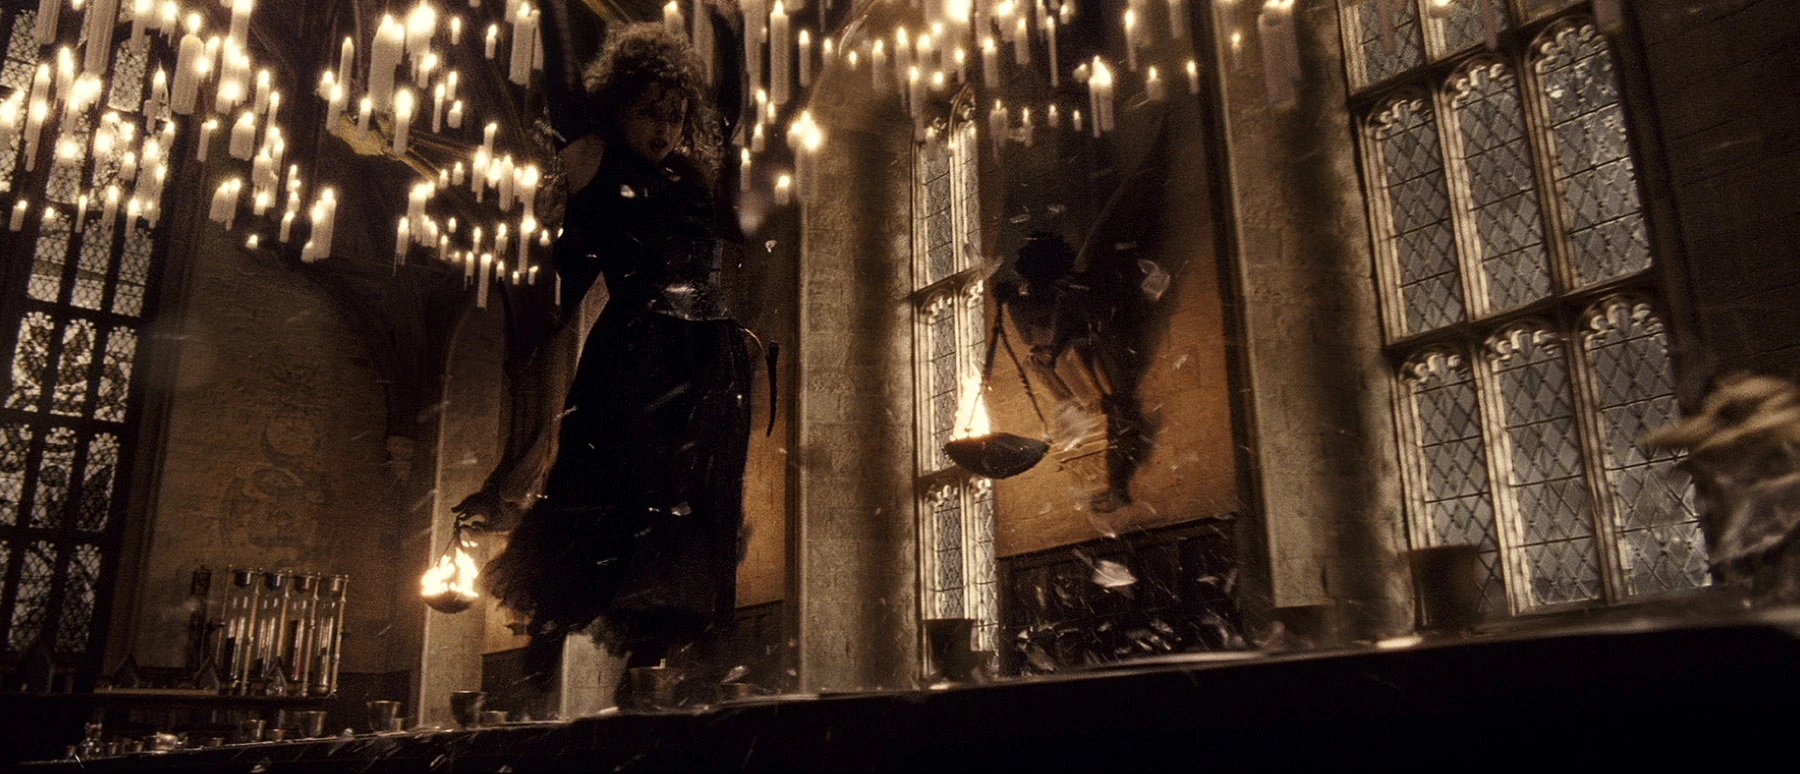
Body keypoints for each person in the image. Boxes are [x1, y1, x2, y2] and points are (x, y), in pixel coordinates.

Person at [454, 22, 753, 706]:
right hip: (640, 352)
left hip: (709, 361)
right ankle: (552, 639)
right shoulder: (598, 163)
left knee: (690, 511)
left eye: (675, 116)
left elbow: (729, 115)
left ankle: (647, 663)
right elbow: (563, 79)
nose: (665, 129)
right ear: (619, 108)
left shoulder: (692, 175)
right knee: (608, 494)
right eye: (650, 113)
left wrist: (732, 31)